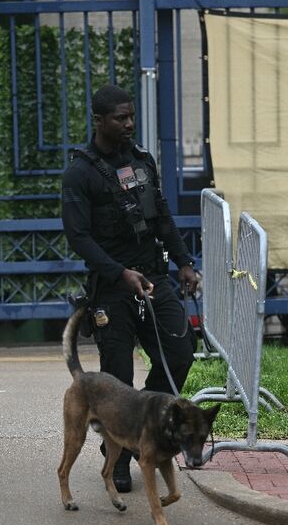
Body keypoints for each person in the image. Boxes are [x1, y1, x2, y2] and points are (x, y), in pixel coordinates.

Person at [62, 84, 199, 492]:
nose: (129, 123)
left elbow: (162, 219)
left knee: (180, 353)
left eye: (131, 116)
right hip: (112, 287)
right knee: (116, 376)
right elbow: (78, 238)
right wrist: (119, 272)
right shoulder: (80, 172)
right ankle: (117, 457)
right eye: (120, 118)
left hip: (153, 278)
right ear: (99, 120)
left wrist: (185, 262)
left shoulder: (142, 161)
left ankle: (140, 427)